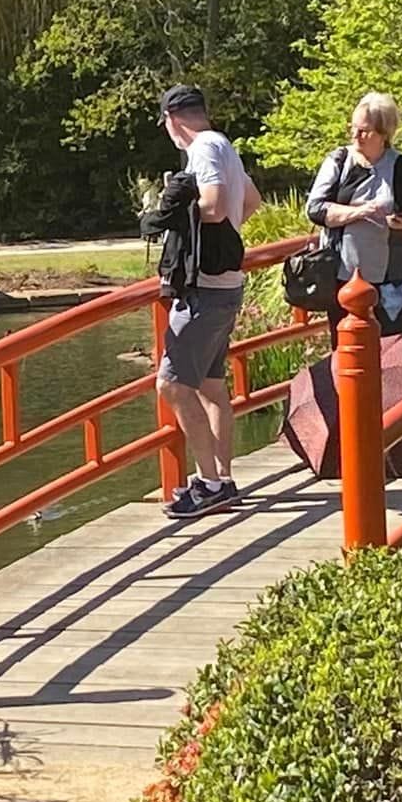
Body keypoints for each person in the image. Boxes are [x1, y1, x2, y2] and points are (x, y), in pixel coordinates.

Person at [153, 84, 262, 519]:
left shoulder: (202, 149)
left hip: (205, 291)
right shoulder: (225, 147)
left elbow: (214, 207)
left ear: (173, 120)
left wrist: (178, 213)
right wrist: (221, 238)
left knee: (173, 385)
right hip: (227, 284)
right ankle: (223, 478)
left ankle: (211, 485)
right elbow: (249, 201)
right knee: (212, 386)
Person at [304, 92, 402, 341]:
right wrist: (360, 212)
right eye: (353, 128)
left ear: (383, 134)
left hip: (395, 275)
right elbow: (315, 209)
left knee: (395, 345)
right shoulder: (339, 161)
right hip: (344, 273)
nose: (356, 135)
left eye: (364, 131)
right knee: (349, 346)